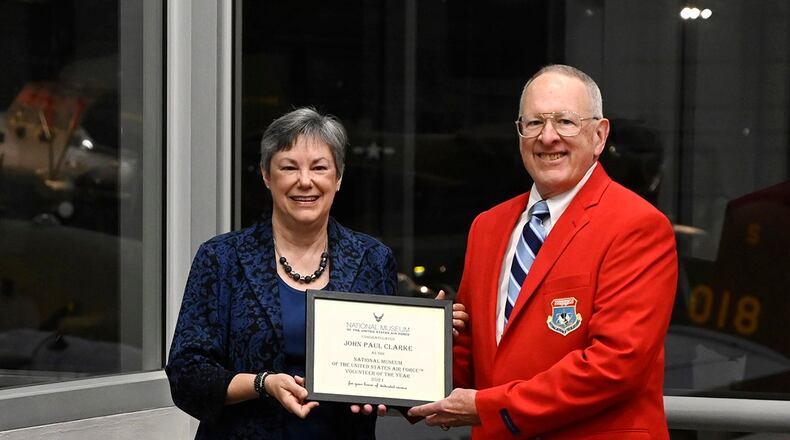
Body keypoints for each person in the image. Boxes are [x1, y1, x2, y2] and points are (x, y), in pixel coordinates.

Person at [409, 65, 678, 439]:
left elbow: (614, 366)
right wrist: (404, 370)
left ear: (599, 136)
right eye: (534, 123)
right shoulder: (488, 227)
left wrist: (489, 407)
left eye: (565, 122)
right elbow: (471, 357)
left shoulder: (637, 226)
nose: (547, 137)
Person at [166, 107, 398, 439]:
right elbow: (187, 375)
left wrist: (429, 339)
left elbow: (389, 368)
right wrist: (264, 383)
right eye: (289, 167)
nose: (305, 181)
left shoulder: (373, 259)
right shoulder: (222, 258)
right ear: (266, 175)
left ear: (339, 177)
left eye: (320, 167)